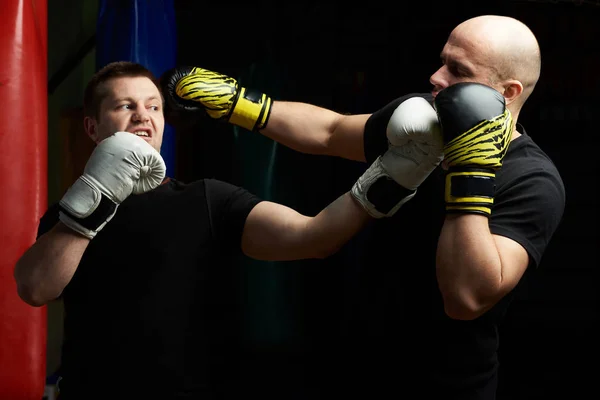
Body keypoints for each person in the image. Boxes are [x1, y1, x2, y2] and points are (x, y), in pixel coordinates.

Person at [161, 14, 566, 399]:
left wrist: (471, 168)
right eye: (442, 61)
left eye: (458, 71)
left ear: (508, 92)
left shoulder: (532, 181)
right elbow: (329, 131)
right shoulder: (421, 121)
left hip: (446, 385)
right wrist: (236, 102)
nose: (436, 77)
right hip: (354, 363)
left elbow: (464, 299)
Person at [13, 61, 445, 399]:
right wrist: (92, 202)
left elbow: (314, 237)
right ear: (93, 127)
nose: (143, 116)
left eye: (154, 105)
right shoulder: (69, 212)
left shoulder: (207, 199)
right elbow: (34, 288)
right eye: (125, 106)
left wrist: (394, 175)